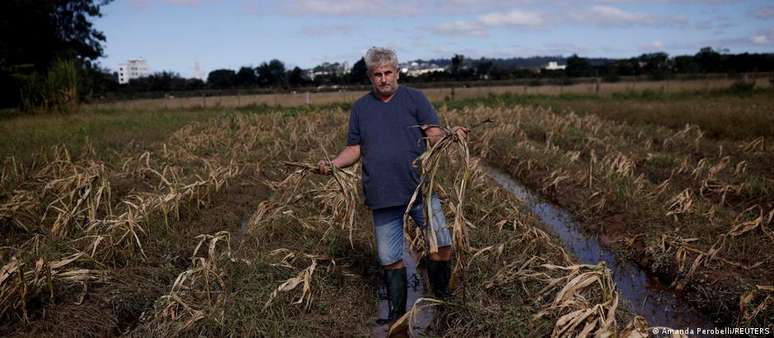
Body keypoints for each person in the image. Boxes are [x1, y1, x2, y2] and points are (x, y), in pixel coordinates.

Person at [317, 47, 468, 326]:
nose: (384, 79)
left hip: (420, 189)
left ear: (397, 72)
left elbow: (433, 133)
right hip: (382, 194)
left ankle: (442, 297)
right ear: (370, 77)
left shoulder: (414, 98)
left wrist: (449, 135)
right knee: (390, 259)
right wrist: (334, 164)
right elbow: (354, 148)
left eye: (388, 73)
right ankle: (398, 315)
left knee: (442, 245)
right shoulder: (361, 108)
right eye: (378, 74)